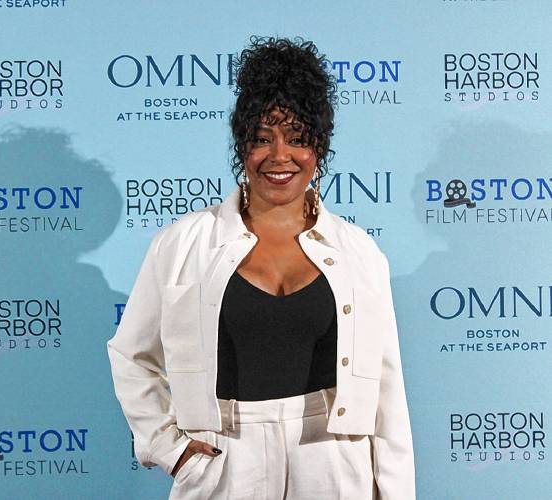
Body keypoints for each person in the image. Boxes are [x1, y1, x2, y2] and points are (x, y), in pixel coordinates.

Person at [107, 35, 415, 499]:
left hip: (332, 458)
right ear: (241, 145)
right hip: (225, 458)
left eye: (296, 139)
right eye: (261, 139)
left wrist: (395, 492)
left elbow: (388, 390)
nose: (278, 156)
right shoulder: (181, 243)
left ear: (319, 147)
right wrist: (171, 448)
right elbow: (131, 355)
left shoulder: (359, 252)